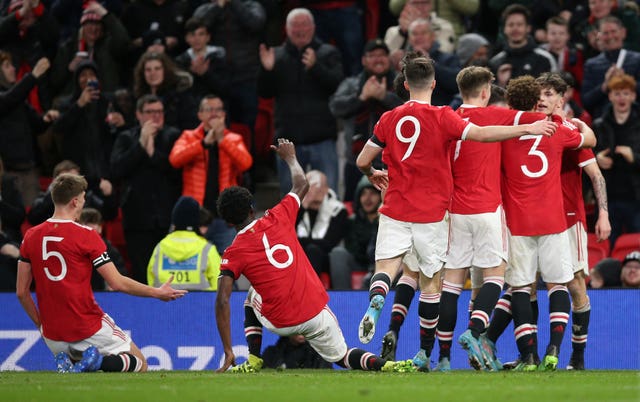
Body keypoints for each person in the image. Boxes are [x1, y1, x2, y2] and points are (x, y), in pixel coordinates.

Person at [354, 52, 556, 371]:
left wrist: (372, 174)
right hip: (435, 213)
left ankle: (380, 298)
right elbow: (481, 133)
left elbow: (363, 160)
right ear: (434, 83)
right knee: (432, 285)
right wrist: (525, 130)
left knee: (389, 268)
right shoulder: (443, 117)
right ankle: (438, 349)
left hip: (397, 208)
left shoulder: (388, 118)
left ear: (405, 84)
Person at [214, 138, 416, 373]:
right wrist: (290, 158)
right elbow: (301, 185)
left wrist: (228, 350)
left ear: (228, 222)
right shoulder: (279, 215)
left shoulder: (233, 252)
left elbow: (222, 300)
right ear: (252, 208)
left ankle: (254, 359)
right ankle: (390, 366)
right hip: (314, 310)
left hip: (280, 321)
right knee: (343, 356)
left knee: (250, 296)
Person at [17, 173, 187, 373]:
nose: (83, 203)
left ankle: (70, 362)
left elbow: (21, 292)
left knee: (85, 371)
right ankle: (98, 363)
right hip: (86, 325)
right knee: (140, 363)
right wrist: (157, 292)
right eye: (83, 199)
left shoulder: (30, 236)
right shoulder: (87, 236)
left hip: (53, 335)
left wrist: (41, 326)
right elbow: (117, 283)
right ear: (75, 201)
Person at [498, 75, 596, 371]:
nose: (543, 100)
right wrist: (581, 125)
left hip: (520, 222)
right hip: (553, 220)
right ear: (534, 99)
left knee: (522, 288)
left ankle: (532, 355)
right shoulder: (560, 128)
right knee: (557, 285)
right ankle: (548, 350)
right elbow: (591, 140)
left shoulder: (502, 128)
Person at [536, 72, 611, 371]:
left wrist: (603, 214)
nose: (542, 99)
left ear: (561, 99)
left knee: (574, 284)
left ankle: (576, 357)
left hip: (566, 219)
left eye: (549, 94)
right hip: (531, 220)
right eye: (539, 94)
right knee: (525, 285)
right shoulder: (527, 128)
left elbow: (596, 175)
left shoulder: (570, 131)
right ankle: (529, 354)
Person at [258, 8, 343, 195]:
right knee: (290, 202)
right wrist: (268, 71)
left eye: (304, 24)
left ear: (313, 27)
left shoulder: (327, 52)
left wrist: (316, 67)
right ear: (287, 30)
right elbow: (265, 93)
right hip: (289, 144)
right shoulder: (276, 56)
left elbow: (336, 85)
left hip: (323, 140)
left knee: (329, 197)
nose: (300, 29)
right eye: (296, 25)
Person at [110, 94, 182, 284]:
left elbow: (177, 171)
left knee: (168, 273)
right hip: (136, 218)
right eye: (150, 112)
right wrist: (141, 146)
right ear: (139, 115)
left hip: (167, 216)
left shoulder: (173, 136)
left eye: (159, 111)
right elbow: (117, 169)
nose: (155, 116)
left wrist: (152, 153)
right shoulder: (126, 137)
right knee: (141, 273)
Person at [169, 94, 253, 253]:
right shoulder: (188, 136)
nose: (214, 113)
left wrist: (222, 140)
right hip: (196, 216)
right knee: (191, 263)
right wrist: (203, 144)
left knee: (228, 268)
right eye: (209, 109)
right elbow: (175, 159)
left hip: (225, 218)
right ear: (200, 114)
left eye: (218, 109)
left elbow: (245, 163)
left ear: (224, 114)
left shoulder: (233, 138)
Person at [329, 38, 403, 202]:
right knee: (352, 209)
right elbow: (335, 107)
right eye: (372, 55)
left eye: (382, 55)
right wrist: (361, 97)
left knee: (391, 211)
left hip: (393, 164)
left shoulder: (402, 83)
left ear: (389, 59)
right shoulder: (351, 84)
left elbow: (412, 108)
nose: (378, 59)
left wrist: (385, 97)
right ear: (363, 60)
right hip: (357, 161)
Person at [0, 52, 58, 205]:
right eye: (7, 66)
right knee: (11, 220)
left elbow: (36, 125)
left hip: (29, 169)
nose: (13, 69)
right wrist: (33, 76)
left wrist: (45, 119)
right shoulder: (11, 97)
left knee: (32, 217)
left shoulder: (19, 99)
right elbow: (7, 101)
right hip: (7, 172)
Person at [593, 73, 640, 249]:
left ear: (633, 96)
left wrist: (634, 157)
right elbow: (588, 155)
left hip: (636, 197)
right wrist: (597, 159)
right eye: (618, 93)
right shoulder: (599, 124)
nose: (622, 98)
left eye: (626, 93)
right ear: (610, 96)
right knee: (606, 245)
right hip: (608, 196)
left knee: (636, 246)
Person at [50, 2, 129, 98]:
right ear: (82, 26)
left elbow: (123, 40)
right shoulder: (68, 48)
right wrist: (69, 69)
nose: (94, 28)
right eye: (89, 24)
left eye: (98, 24)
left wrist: (105, 14)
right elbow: (54, 82)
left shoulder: (109, 45)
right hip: (75, 102)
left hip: (104, 99)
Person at [147, 196, 221, 290]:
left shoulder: (160, 247)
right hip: (201, 303)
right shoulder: (207, 249)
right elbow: (218, 283)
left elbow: (151, 280)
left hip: (164, 303)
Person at [581, 16, 640, 118]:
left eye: (613, 31)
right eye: (605, 33)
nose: (610, 36)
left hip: (635, 123)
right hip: (603, 124)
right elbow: (586, 101)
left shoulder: (637, 59)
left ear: (623, 32)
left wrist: (625, 80)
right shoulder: (591, 64)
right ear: (598, 36)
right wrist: (605, 86)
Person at [329, 176, 381, 290]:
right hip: (359, 263)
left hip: (383, 265)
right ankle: (342, 297)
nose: (367, 198)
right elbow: (352, 250)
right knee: (338, 253)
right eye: (363, 194)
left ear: (381, 196)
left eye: (372, 193)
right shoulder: (352, 221)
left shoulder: (388, 221)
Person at [296, 170, 347, 284]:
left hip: (325, 258)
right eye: (308, 187)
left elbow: (329, 243)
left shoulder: (338, 210)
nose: (312, 191)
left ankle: (309, 294)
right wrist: (304, 204)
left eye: (315, 186)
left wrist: (299, 242)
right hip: (296, 257)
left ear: (326, 189)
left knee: (313, 250)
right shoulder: (297, 209)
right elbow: (284, 232)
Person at [488, 4, 556, 87]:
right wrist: (501, 83)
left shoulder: (545, 59)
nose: (515, 29)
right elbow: (491, 96)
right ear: (504, 29)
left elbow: (554, 91)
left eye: (519, 24)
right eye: (511, 25)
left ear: (528, 28)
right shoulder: (495, 62)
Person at [174, 17, 229, 101]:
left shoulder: (219, 57)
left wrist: (205, 73)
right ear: (186, 38)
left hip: (216, 105)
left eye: (201, 34)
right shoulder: (180, 61)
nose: (197, 39)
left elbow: (225, 89)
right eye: (192, 35)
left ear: (208, 37)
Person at [78, 207, 128, 291]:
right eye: (86, 222)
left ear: (100, 227)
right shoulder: (72, 248)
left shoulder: (109, 249)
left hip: (103, 294)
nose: (90, 226)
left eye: (94, 222)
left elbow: (121, 273)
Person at [384, 0, 456, 55]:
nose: (420, 7)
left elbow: (446, 52)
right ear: (407, 5)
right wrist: (403, 33)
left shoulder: (444, 26)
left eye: (424, 3)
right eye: (415, 3)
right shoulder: (393, 31)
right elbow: (389, 56)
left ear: (431, 5)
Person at [262, 335, 333, 369]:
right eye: (297, 326)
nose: (301, 330)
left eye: (304, 326)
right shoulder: (272, 353)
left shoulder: (319, 352)